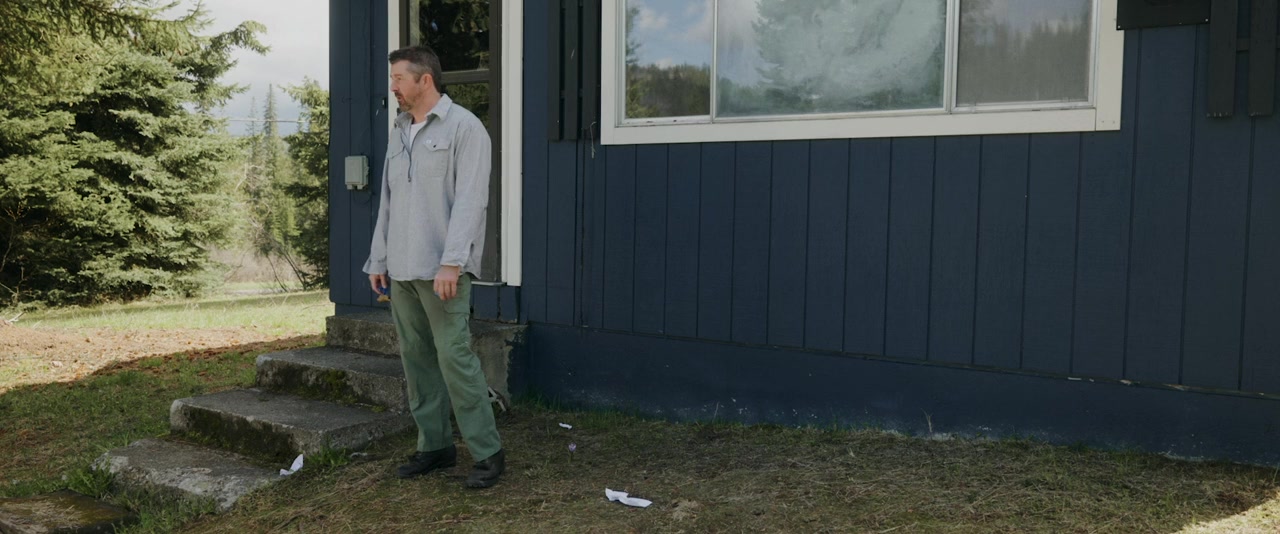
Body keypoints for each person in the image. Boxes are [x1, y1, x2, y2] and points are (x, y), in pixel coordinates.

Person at [363, 44, 503, 488]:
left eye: (399, 79)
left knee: (455, 358)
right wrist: (379, 258)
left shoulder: (465, 128)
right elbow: (388, 200)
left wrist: (451, 263)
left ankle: (488, 453)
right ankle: (435, 446)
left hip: (442, 271)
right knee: (416, 359)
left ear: (425, 80)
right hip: (402, 269)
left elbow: (471, 202)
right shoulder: (400, 130)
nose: (393, 87)